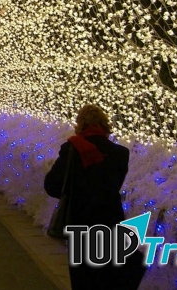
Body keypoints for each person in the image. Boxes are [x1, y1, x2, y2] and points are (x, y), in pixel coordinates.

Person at [44, 105, 146, 290]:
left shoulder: (71, 149)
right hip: (109, 220)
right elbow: (114, 185)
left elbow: (51, 185)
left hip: (78, 221)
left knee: (83, 278)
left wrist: (71, 193)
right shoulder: (120, 153)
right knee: (109, 274)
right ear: (105, 124)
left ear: (81, 124)